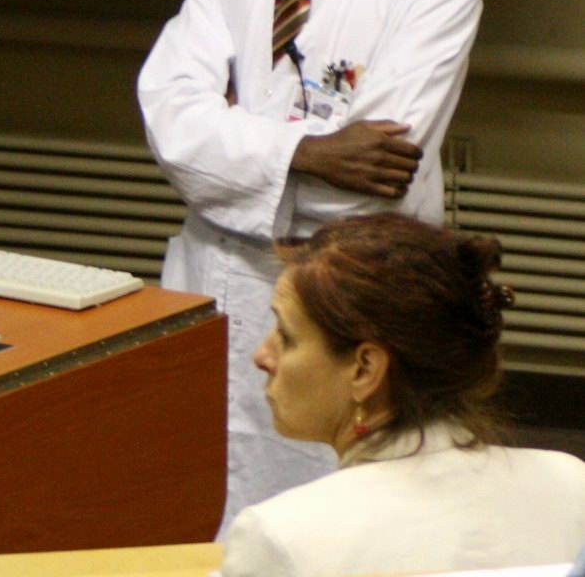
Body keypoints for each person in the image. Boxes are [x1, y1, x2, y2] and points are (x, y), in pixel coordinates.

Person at [137, 0, 483, 531]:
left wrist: (234, 138)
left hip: (345, 299)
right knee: (196, 503)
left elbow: (368, 183)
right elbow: (171, 120)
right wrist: (304, 150)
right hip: (215, 276)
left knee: (332, 514)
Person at [222, 213, 585, 577]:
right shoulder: (572, 486)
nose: (262, 356)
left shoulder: (281, 538)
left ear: (365, 370)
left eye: (286, 337)